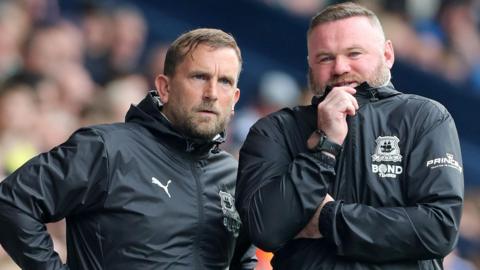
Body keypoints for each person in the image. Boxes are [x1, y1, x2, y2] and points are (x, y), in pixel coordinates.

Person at [0, 28, 256, 270]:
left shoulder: (235, 178)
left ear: (234, 100)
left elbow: (243, 262)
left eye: (224, 81)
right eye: (200, 77)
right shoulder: (107, 148)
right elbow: (12, 202)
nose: (211, 93)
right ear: (165, 88)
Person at [235, 2, 464, 269]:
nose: (340, 67)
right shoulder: (276, 129)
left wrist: (328, 218)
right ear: (310, 65)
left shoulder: (425, 117)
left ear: (387, 55)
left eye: (354, 53)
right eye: (325, 58)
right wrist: (324, 146)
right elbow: (266, 229)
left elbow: (439, 228)